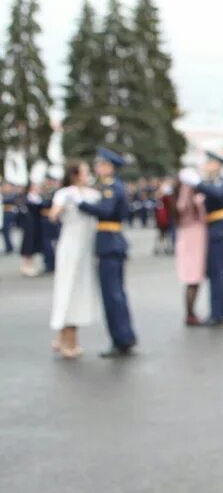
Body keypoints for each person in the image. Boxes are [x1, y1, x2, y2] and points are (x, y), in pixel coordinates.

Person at [76, 148, 138, 357]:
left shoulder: (112, 188)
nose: (98, 167)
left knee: (112, 295)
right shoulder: (107, 186)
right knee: (115, 294)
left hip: (110, 243)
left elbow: (105, 211)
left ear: (110, 168)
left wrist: (81, 204)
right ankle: (124, 337)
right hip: (111, 242)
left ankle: (121, 339)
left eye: (101, 164)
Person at [47, 160, 101, 359]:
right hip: (70, 246)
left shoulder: (93, 195)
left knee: (80, 292)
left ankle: (65, 338)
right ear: (75, 175)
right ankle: (68, 339)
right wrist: (63, 205)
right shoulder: (65, 193)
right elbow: (52, 215)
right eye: (85, 172)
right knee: (67, 290)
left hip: (87, 248)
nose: (88, 175)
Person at [196, 151, 223, 325]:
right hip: (213, 227)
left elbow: (218, 195)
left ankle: (217, 313)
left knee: (216, 271)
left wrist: (198, 183)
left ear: (218, 165)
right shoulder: (209, 182)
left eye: (210, 163)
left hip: (220, 227)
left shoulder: (219, 181)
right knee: (215, 269)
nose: (206, 166)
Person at [174, 167, 207, 325]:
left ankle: (190, 312)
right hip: (193, 236)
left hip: (192, 235)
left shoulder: (182, 193)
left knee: (194, 278)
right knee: (193, 277)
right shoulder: (188, 194)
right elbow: (183, 206)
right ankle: (190, 313)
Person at [19, 181, 44, 276]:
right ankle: (26, 265)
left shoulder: (38, 198)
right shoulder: (27, 198)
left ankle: (30, 264)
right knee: (28, 245)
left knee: (33, 245)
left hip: (37, 224)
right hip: (29, 224)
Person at [2, 182, 18, 255]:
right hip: (3, 215)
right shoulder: (3, 194)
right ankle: (9, 246)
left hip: (9, 215)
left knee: (7, 231)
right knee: (5, 232)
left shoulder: (12, 195)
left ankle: (9, 247)